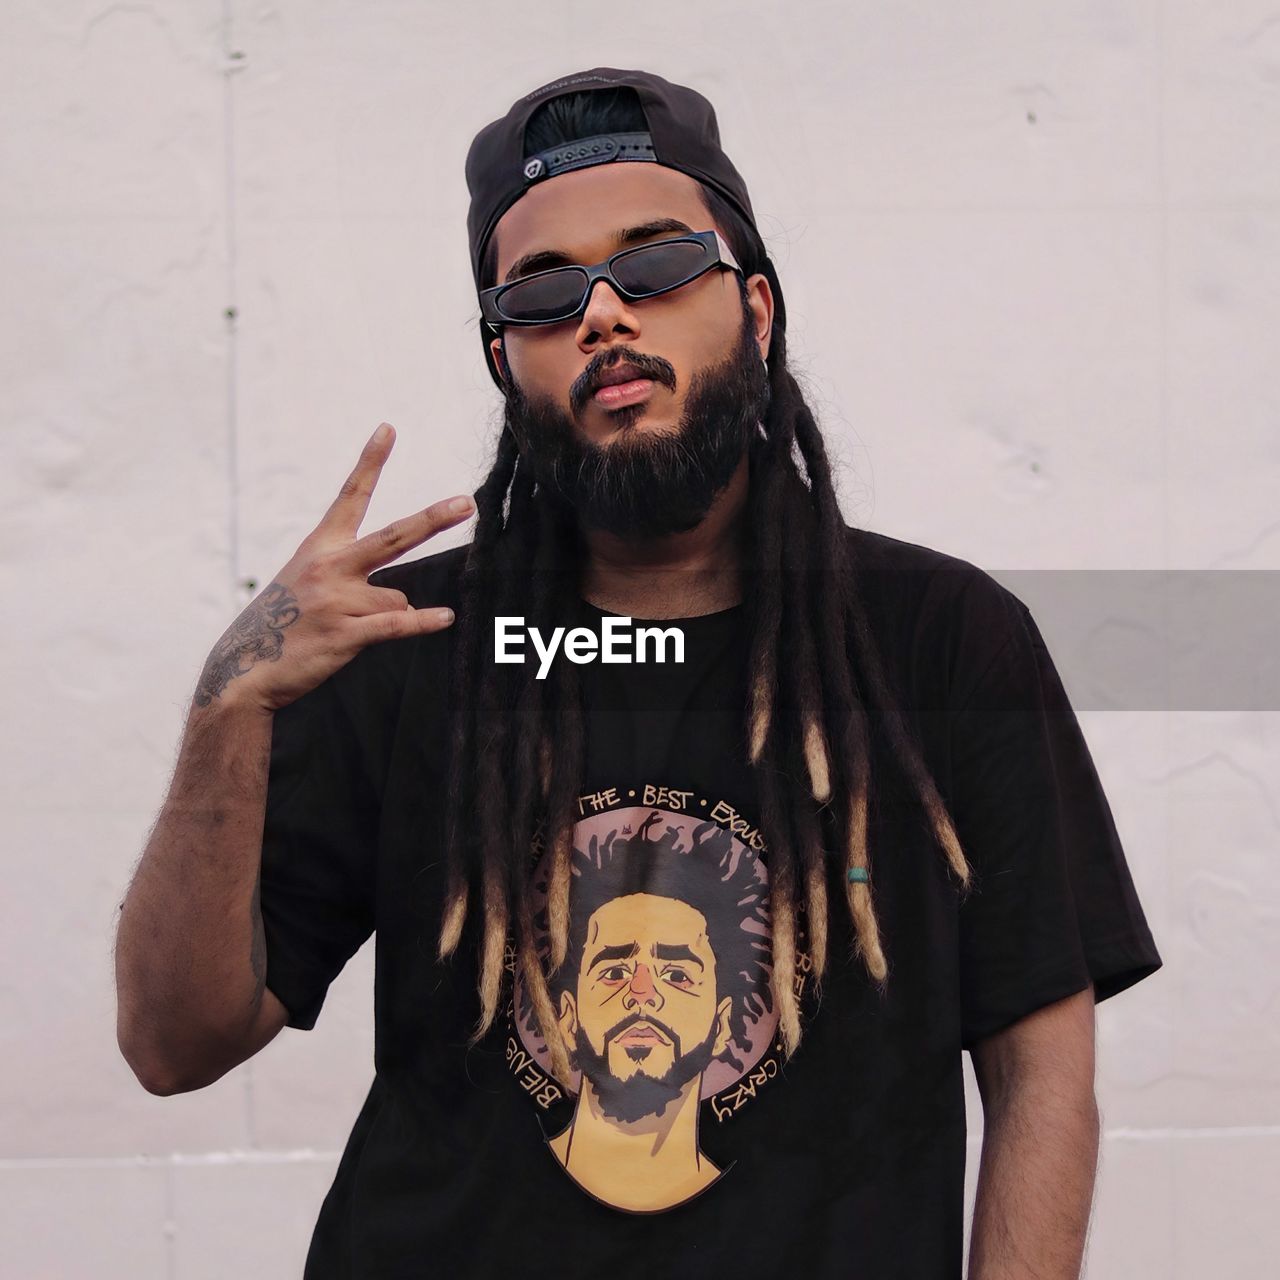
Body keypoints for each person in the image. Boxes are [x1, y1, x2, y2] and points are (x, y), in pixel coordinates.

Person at [115, 67, 1163, 1279]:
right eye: (545, 292)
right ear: (504, 360)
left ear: (756, 308)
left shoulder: (940, 638)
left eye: (657, 265)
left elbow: (1039, 1073)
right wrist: (226, 702)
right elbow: (172, 1041)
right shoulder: (408, 639)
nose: (604, 312)